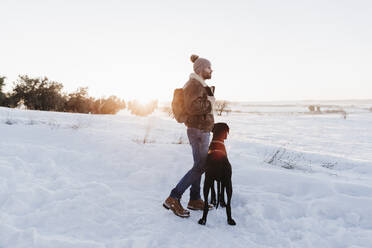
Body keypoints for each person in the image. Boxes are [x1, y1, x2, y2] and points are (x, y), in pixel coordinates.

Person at [163, 54, 215, 218]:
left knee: (199, 165)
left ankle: (194, 199)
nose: (211, 70)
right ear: (200, 69)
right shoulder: (194, 84)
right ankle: (174, 197)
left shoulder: (200, 84)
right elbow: (193, 107)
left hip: (201, 129)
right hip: (198, 129)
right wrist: (210, 100)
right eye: (208, 67)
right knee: (201, 166)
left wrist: (209, 95)